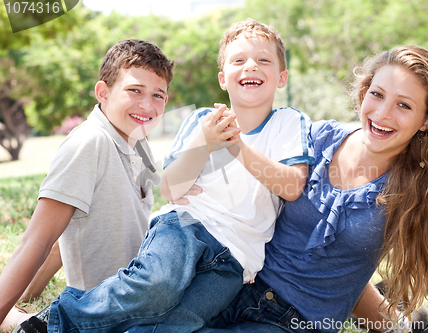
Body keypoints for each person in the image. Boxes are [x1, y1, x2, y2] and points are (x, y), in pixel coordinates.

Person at [14, 19, 314, 333]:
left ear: (282, 78)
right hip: (185, 227)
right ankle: (53, 321)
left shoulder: (289, 123)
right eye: (239, 60)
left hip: (236, 260)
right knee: (155, 287)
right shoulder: (203, 121)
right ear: (223, 79)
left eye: (263, 60)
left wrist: (237, 145)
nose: (251, 66)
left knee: (175, 324)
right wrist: (206, 144)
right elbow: (171, 188)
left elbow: (291, 187)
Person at [202, 45, 428, 333]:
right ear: (364, 93)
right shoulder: (316, 138)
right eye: (378, 94)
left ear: (426, 120)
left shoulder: (414, 190)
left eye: (404, 105)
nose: (383, 113)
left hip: (294, 324)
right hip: (230, 288)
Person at [0, 39, 173, 331]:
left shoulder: (140, 141)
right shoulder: (89, 142)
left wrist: (31, 292)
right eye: (134, 90)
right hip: (99, 308)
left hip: (140, 293)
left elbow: (82, 224)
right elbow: (38, 239)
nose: (147, 104)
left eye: (158, 95)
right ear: (103, 92)